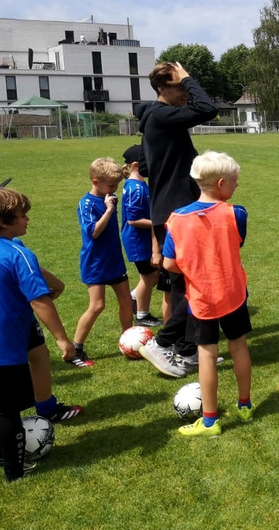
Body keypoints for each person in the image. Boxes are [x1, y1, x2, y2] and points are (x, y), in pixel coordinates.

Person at [0, 188, 78, 480]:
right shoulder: (17, 254)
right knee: (6, 411)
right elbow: (40, 300)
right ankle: (14, 471)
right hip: (3, 349)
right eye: (22, 215)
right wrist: (63, 338)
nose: (27, 220)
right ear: (4, 222)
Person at [162, 152, 253, 437]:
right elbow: (236, 243)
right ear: (222, 183)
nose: (237, 186)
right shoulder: (236, 213)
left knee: (207, 354)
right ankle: (245, 404)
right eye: (235, 181)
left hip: (201, 297)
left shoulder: (175, 219)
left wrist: (193, 265)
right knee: (239, 346)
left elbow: (168, 263)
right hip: (233, 292)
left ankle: (211, 421)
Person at [137, 61, 218, 378]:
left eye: (185, 87)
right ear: (162, 89)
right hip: (179, 212)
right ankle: (162, 342)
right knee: (197, 283)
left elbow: (144, 167)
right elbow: (207, 108)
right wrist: (189, 77)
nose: (185, 92)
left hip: (170, 210)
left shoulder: (154, 122)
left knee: (186, 285)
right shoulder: (160, 115)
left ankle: (186, 349)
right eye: (179, 87)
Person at [72, 157, 133, 366]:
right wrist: (108, 210)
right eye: (110, 185)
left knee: (126, 301)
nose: (114, 189)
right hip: (95, 262)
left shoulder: (109, 196)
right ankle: (76, 349)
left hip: (113, 260)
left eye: (116, 185)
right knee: (97, 306)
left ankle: (130, 341)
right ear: (96, 182)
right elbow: (94, 232)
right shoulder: (87, 203)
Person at [121, 144, 161, 328]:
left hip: (144, 239)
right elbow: (133, 220)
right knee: (149, 276)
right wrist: (159, 222)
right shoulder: (135, 188)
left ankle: (135, 296)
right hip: (138, 241)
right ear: (137, 164)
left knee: (153, 274)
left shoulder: (139, 185)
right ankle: (142, 315)